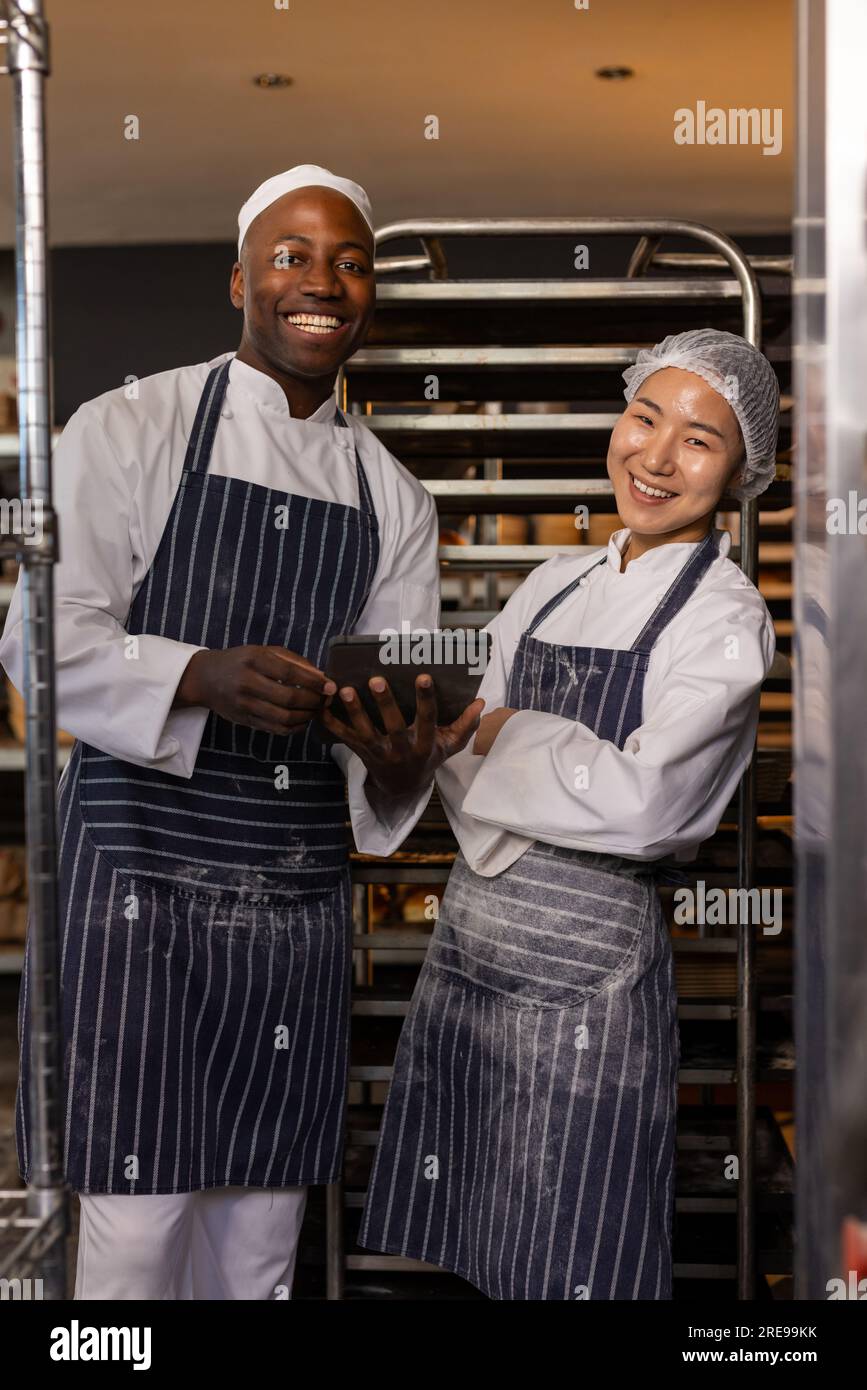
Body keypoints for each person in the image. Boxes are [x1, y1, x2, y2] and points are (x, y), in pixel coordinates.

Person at [0, 164, 480, 1300]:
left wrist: (396, 750)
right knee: (135, 1226)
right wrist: (198, 674)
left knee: (260, 1235)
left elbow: (390, 717)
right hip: (136, 889)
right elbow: (36, 634)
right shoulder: (130, 424)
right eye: (292, 255)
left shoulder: (392, 498)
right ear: (239, 280)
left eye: (350, 261)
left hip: (293, 899)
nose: (323, 280)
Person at [354, 328, 779, 1300]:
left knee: (580, 1256)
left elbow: (650, 805)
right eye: (644, 416)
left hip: (590, 991)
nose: (657, 456)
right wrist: (446, 735)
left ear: (743, 470)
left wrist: (494, 733)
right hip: (471, 965)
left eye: (699, 440)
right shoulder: (552, 585)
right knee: (474, 1253)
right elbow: (460, 734)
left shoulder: (725, 619)